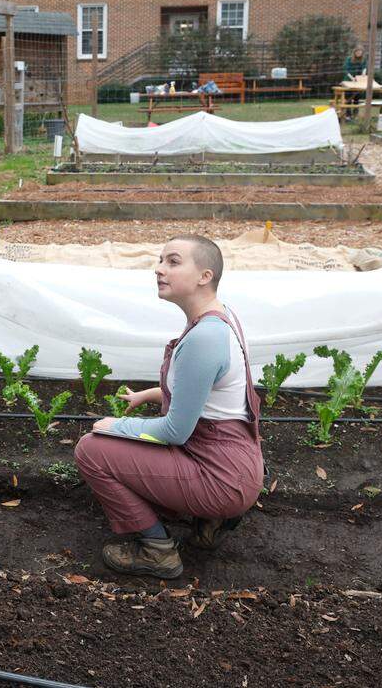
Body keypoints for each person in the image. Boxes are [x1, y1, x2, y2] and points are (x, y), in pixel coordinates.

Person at [74, 235, 264, 579]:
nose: (159, 269)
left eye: (173, 262)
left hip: (220, 477)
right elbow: (208, 396)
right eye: (160, 260)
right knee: (130, 443)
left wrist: (116, 426)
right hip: (235, 463)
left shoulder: (205, 338)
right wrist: (146, 396)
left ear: (204, 276)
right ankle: (210, 520)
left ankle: (157, 550)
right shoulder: (221, 319)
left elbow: (176, 432)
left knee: (91, 450)